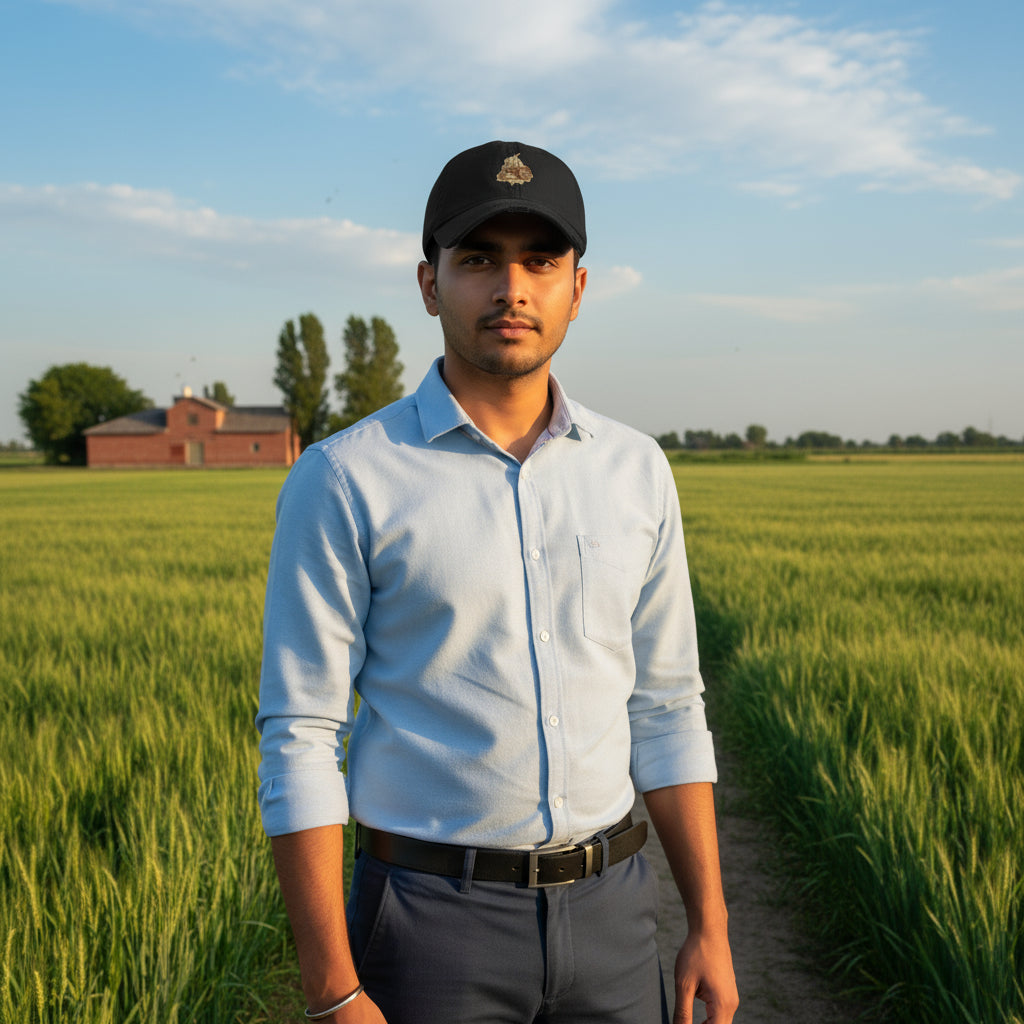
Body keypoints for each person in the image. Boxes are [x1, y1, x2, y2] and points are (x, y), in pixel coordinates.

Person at [256, 140, 738, 1024]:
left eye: (540, 261)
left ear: (577, 290)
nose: (511, 287)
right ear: (429, 284)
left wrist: (708, 922)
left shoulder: (635, 470)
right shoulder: (345, 478)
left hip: (615, 914)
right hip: (429, 926)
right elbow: (300, 733)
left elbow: (668, 706)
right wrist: (333, 990)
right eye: (478, 259)